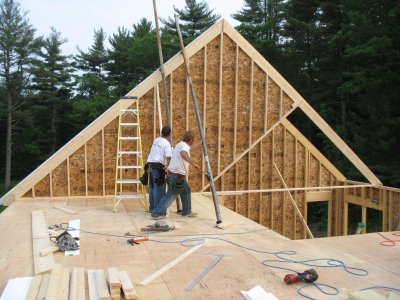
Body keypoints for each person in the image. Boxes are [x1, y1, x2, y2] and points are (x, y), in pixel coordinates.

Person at [151, 130, 201, 219]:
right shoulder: (184, 147)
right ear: (191, 140)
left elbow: (189, 149)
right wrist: (193, 163)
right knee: (170, 195)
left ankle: (187, 211)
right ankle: (156, 212)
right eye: (193, 140)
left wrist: (200, 142)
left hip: (175, 174)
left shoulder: (180, 144)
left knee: (186, 191)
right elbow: (183, 154)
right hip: (177, 175)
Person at [145, 126, 172, 213]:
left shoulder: (156, 140)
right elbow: (168, 157)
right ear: (169, 135)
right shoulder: (167, 143)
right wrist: (167, 168)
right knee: (158, 189)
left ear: (162, 133)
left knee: (152, 188)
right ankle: (157, 211)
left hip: (149, 166)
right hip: (157, 167)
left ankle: (152, 208)